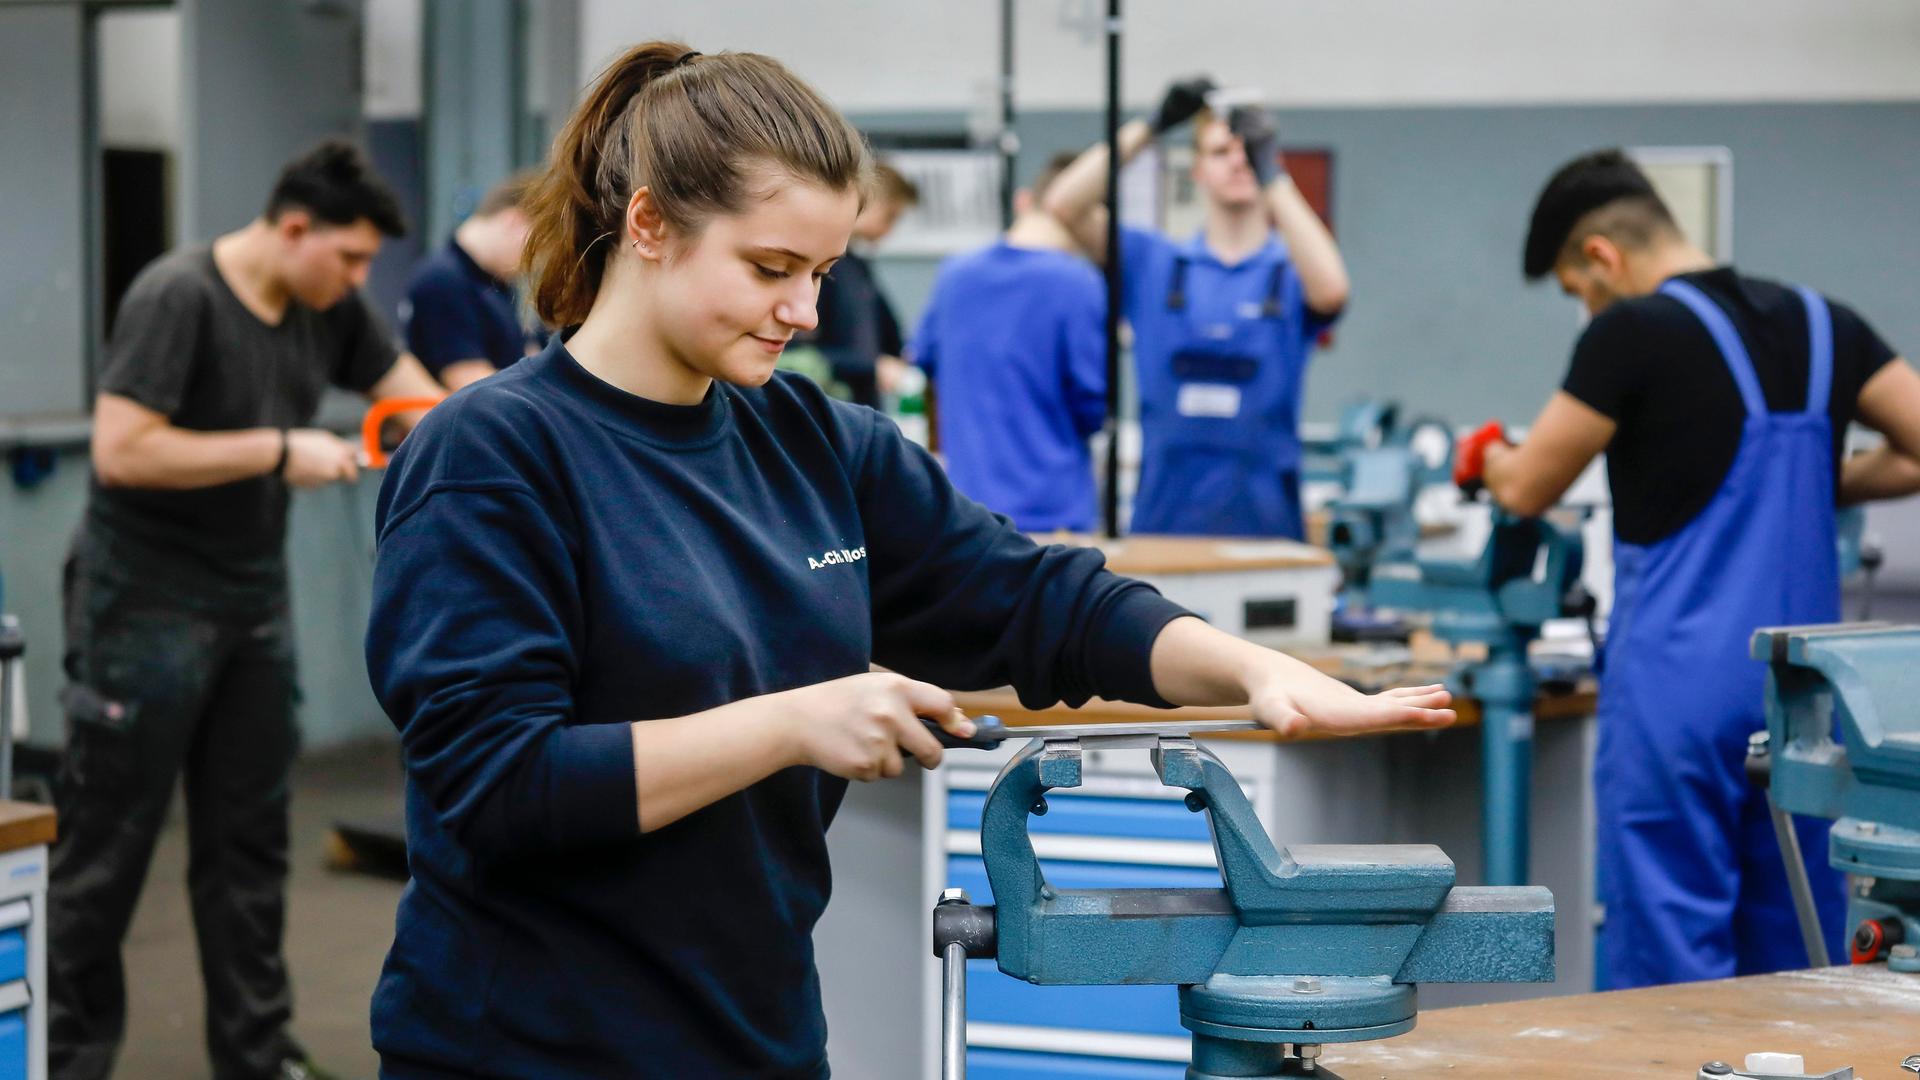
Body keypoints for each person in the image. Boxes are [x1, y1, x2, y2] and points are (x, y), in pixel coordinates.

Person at [362, 42, 1455, 1078]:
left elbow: (1038, 600)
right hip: (527, 1046)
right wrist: (796, 723)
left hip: (758, 1033)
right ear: (648, 224)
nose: (806, 310)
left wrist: (1255, 671)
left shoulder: (814, 444)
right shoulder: (493, 456)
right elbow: (498, 787)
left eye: (827, 271)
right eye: (771, 268)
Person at [1453, 148, 1920, 989]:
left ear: (1601, 256)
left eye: (1576, 291)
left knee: (1669, 967)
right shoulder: (1830, 326)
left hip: (1678, 695)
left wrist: (1483, 459)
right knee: (1805, 960)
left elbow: (1527, 487)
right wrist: (1825, 477)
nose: (1585, 309)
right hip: (1806, 702)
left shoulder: (1630, 332)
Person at [50, 138, 445, 1080]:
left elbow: (419, 400)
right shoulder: (176, 296)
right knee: (107, 850)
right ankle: (64, 1060)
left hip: (249, 599)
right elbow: (124, 449)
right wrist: (277, 449)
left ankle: (255, 1056)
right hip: (140, 596)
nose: (358, 280)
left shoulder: (328, 306)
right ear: (295, 227)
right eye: (349, 258)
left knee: (250, 845)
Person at [1043, 78, 1349, 538]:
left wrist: (1275, 179)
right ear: (1197, 170)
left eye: (1250, 150)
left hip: (1267, 530)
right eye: (1220, 152)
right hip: (1165, 525)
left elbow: (1333, 291)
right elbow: (1064, 204)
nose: (1238, 161)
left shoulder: (1290, 271)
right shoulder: (1155, 263)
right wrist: (1150, 127)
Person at [910, 152, 1105, 532]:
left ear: (1023, 201)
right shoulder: (1078, 283)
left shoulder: (955, 275)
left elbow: (923, 360)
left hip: (967, 511)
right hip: (1055, 515)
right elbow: (1093, 405)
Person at [401, 171, 541, 391]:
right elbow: (470, 384)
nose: (533, 262)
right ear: (514, 221)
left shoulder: (496, 282)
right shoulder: (442, 281)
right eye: (536, 248)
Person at [803, 159, 916, 407]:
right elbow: (802, 356)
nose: (889, 230)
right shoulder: (823, 270)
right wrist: (870, 367)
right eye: (890, 216)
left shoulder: (859, 268)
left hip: (862, 409)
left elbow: (891, 336)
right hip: (830, 406)